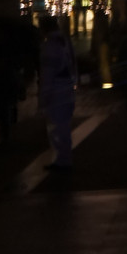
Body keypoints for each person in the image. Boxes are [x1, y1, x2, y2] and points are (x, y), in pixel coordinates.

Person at [39, 23, 77, 168]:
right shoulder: (65, 42)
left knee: (57, 127)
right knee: (64, 126)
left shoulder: (49, 46)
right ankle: (64, 158)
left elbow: (47, 74)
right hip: (67, 87)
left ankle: (62, 160)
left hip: (56, 90)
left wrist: (44, 95)